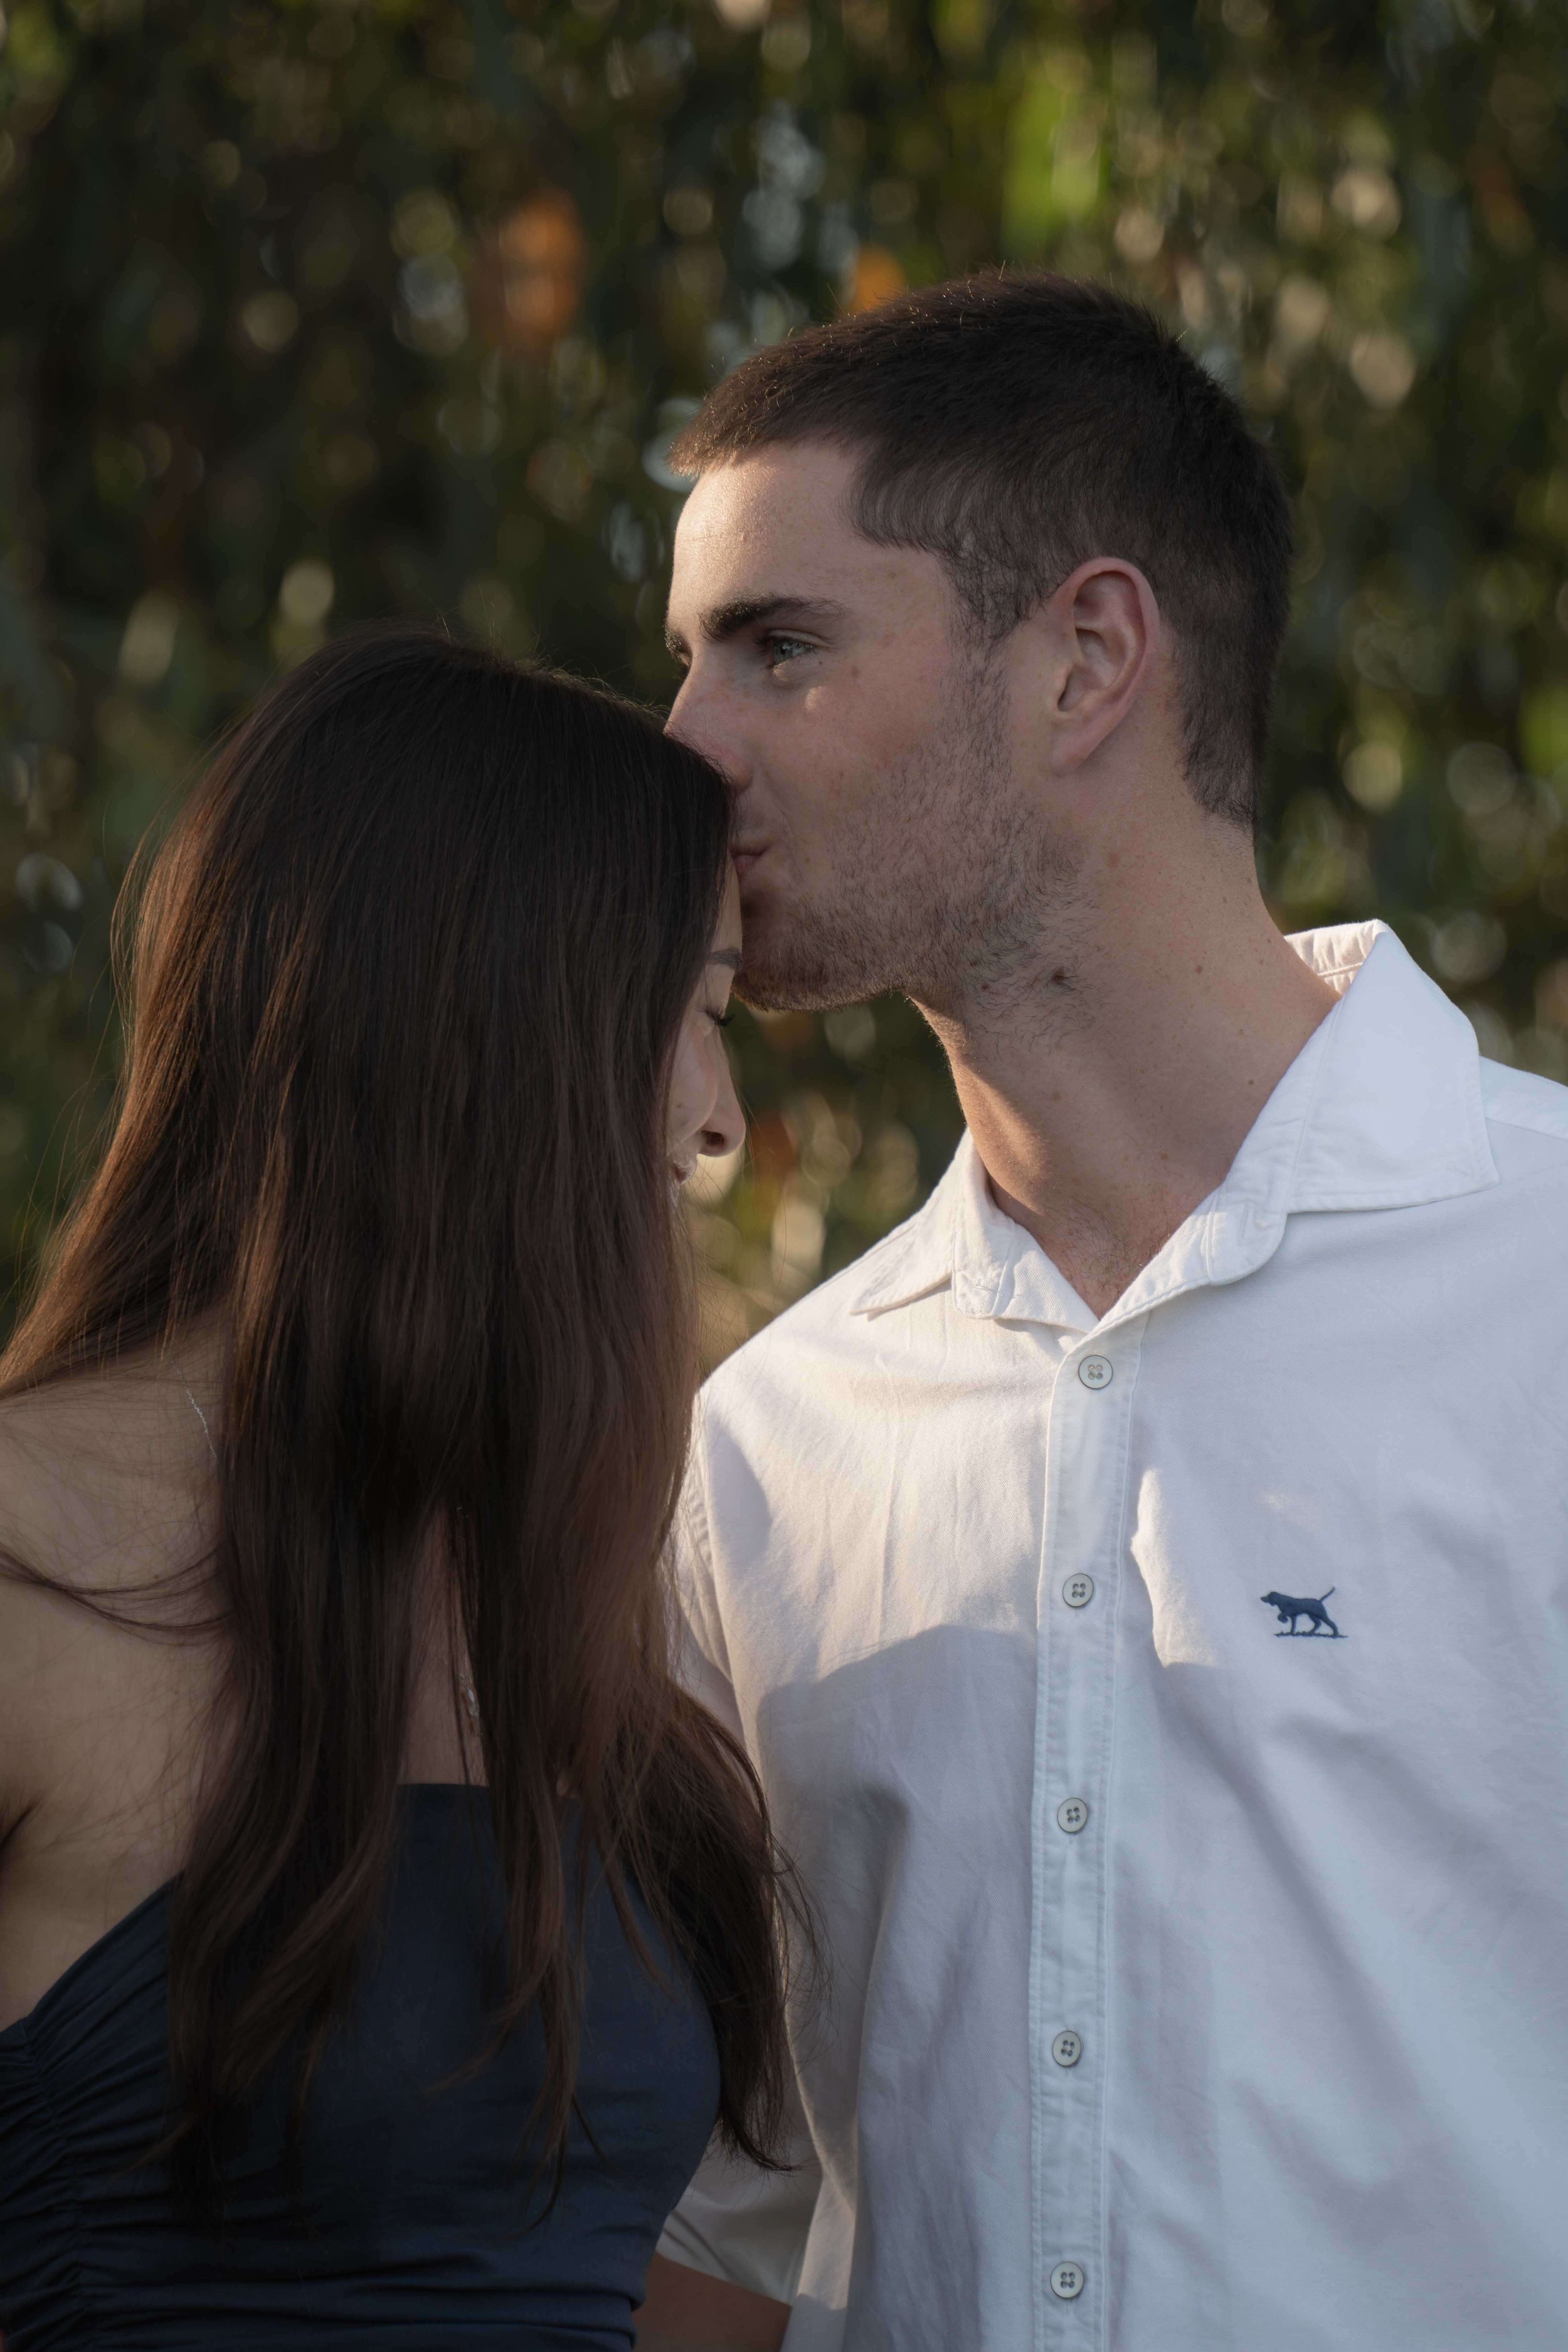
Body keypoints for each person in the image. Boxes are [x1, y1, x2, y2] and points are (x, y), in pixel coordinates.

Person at [635, 275, 1568, 2351]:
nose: (685, 748)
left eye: (776, 648)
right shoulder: (766, 1444)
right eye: (685, 660)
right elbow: (728, 2223)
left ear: (1083, 660)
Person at [0, 627, 800, 2351]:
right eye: (698, 1012)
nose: (715, 1117)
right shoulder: (21, 1561)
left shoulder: (567, 1601)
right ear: (492, 1021)